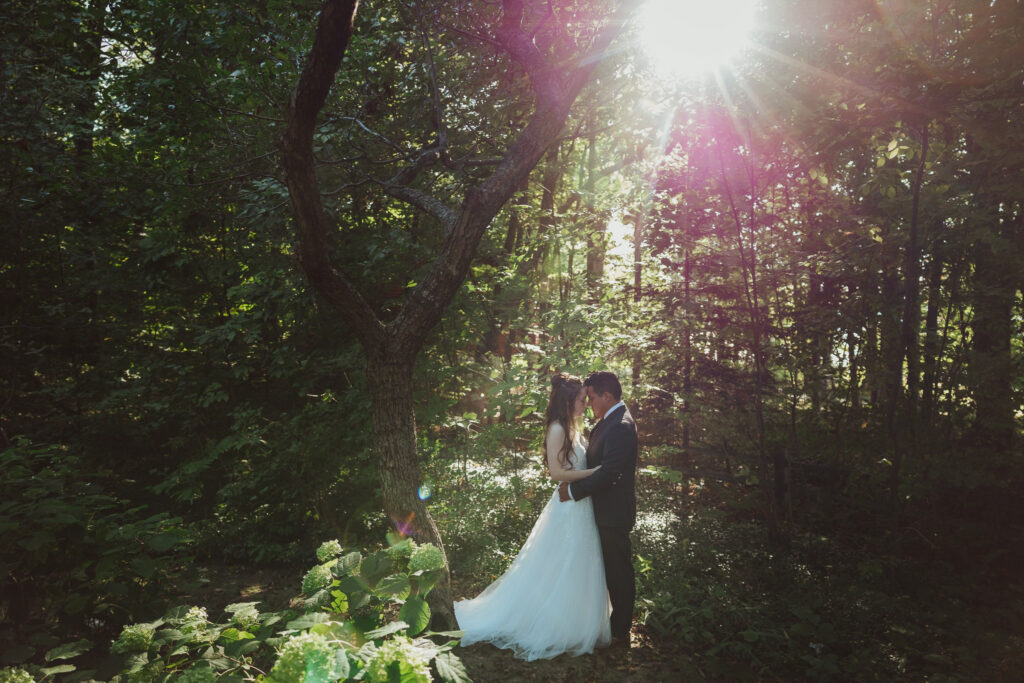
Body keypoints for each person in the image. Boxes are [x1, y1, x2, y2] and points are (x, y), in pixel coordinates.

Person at [454, 373, 612, 660]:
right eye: (580, 400)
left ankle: (575, 620)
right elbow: (556, 473)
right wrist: (595, 473)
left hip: (581, 505)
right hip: (567, 508)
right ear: (567, 402)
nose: (585, 404)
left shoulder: (574, 429)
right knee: (561, 562)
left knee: (580, 562)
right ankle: (552, 623)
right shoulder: (556, 430)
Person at [558, 371, 638, 648]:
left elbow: (611, 472)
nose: (589, 403)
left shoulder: (620, 425)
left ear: (607, 395)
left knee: (618, 571)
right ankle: (608, 623)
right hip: (601, 510)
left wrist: (573, 491)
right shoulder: (609, 421)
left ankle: (620, 631)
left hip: (614, 513)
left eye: (591, 398)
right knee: (608, 569)